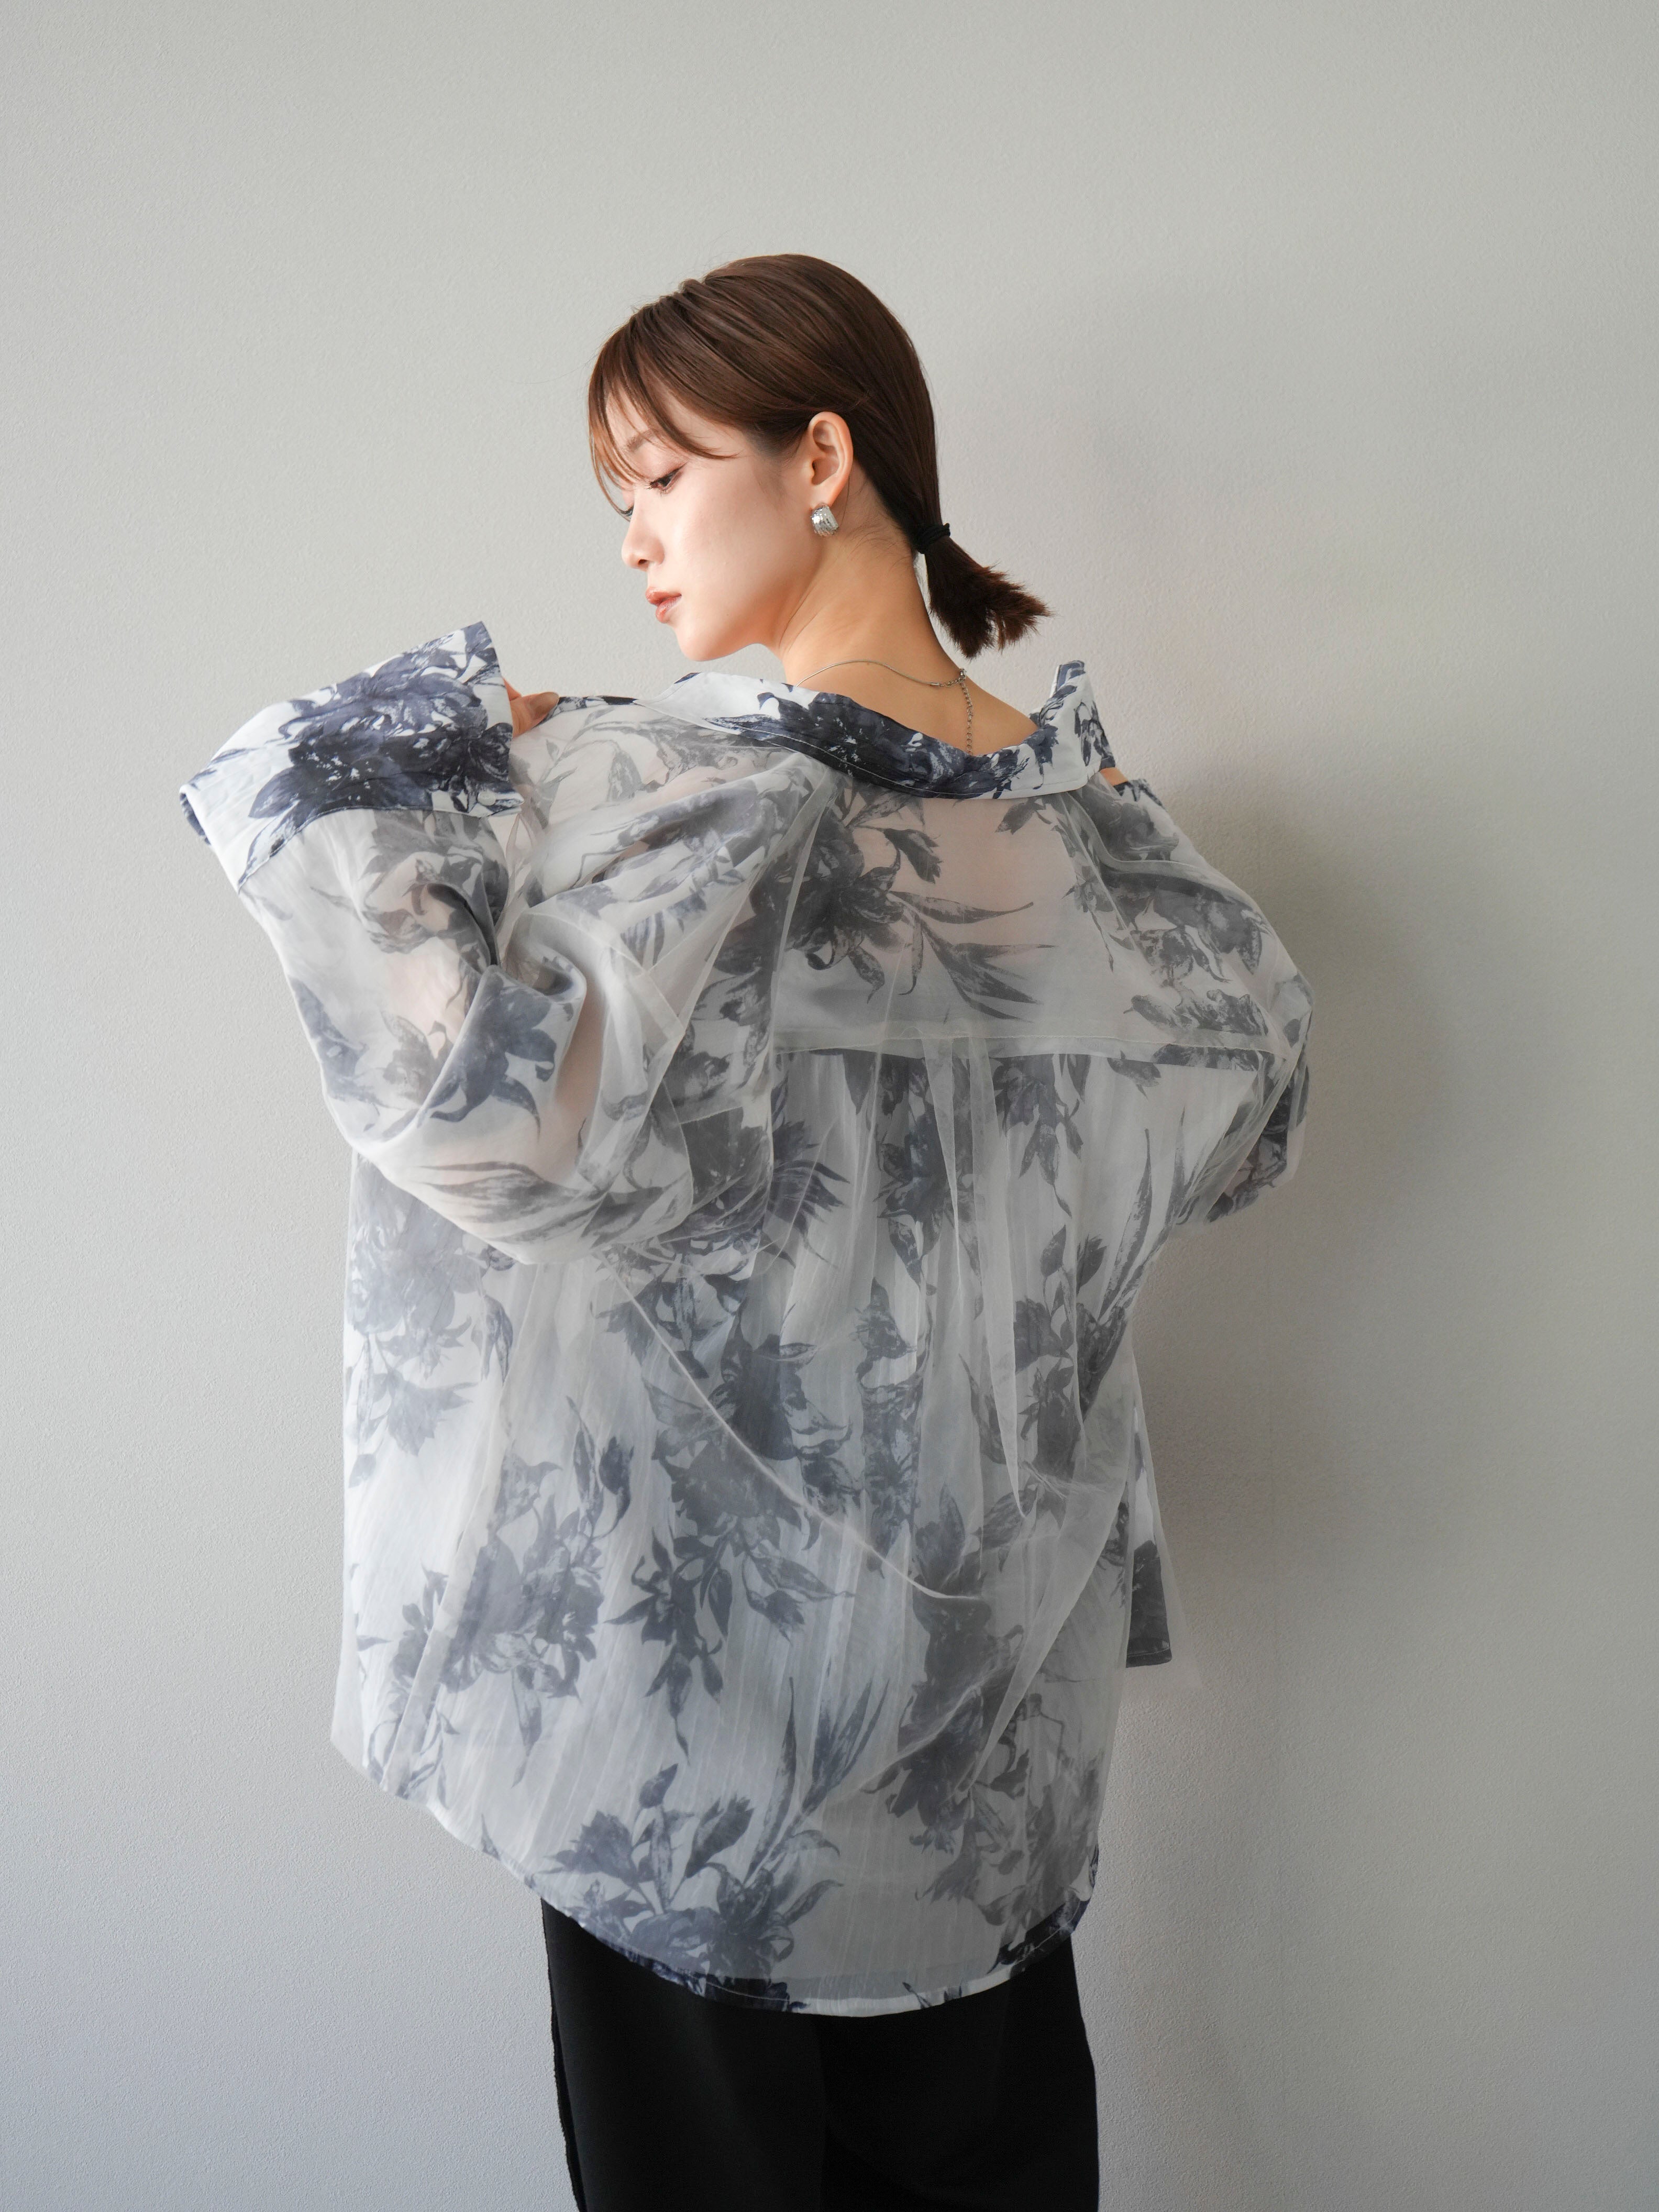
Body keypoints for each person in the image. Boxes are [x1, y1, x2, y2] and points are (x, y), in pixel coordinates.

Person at [179, 253, 1313, 2210]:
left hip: (686, 1743)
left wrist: (463, 727)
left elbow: (480, 1120)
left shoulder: (673, 786)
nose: (630, 538)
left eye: (659, 477)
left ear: (823, 459)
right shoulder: (1103, 843)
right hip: (981, 1756)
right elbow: (1246, 1120)